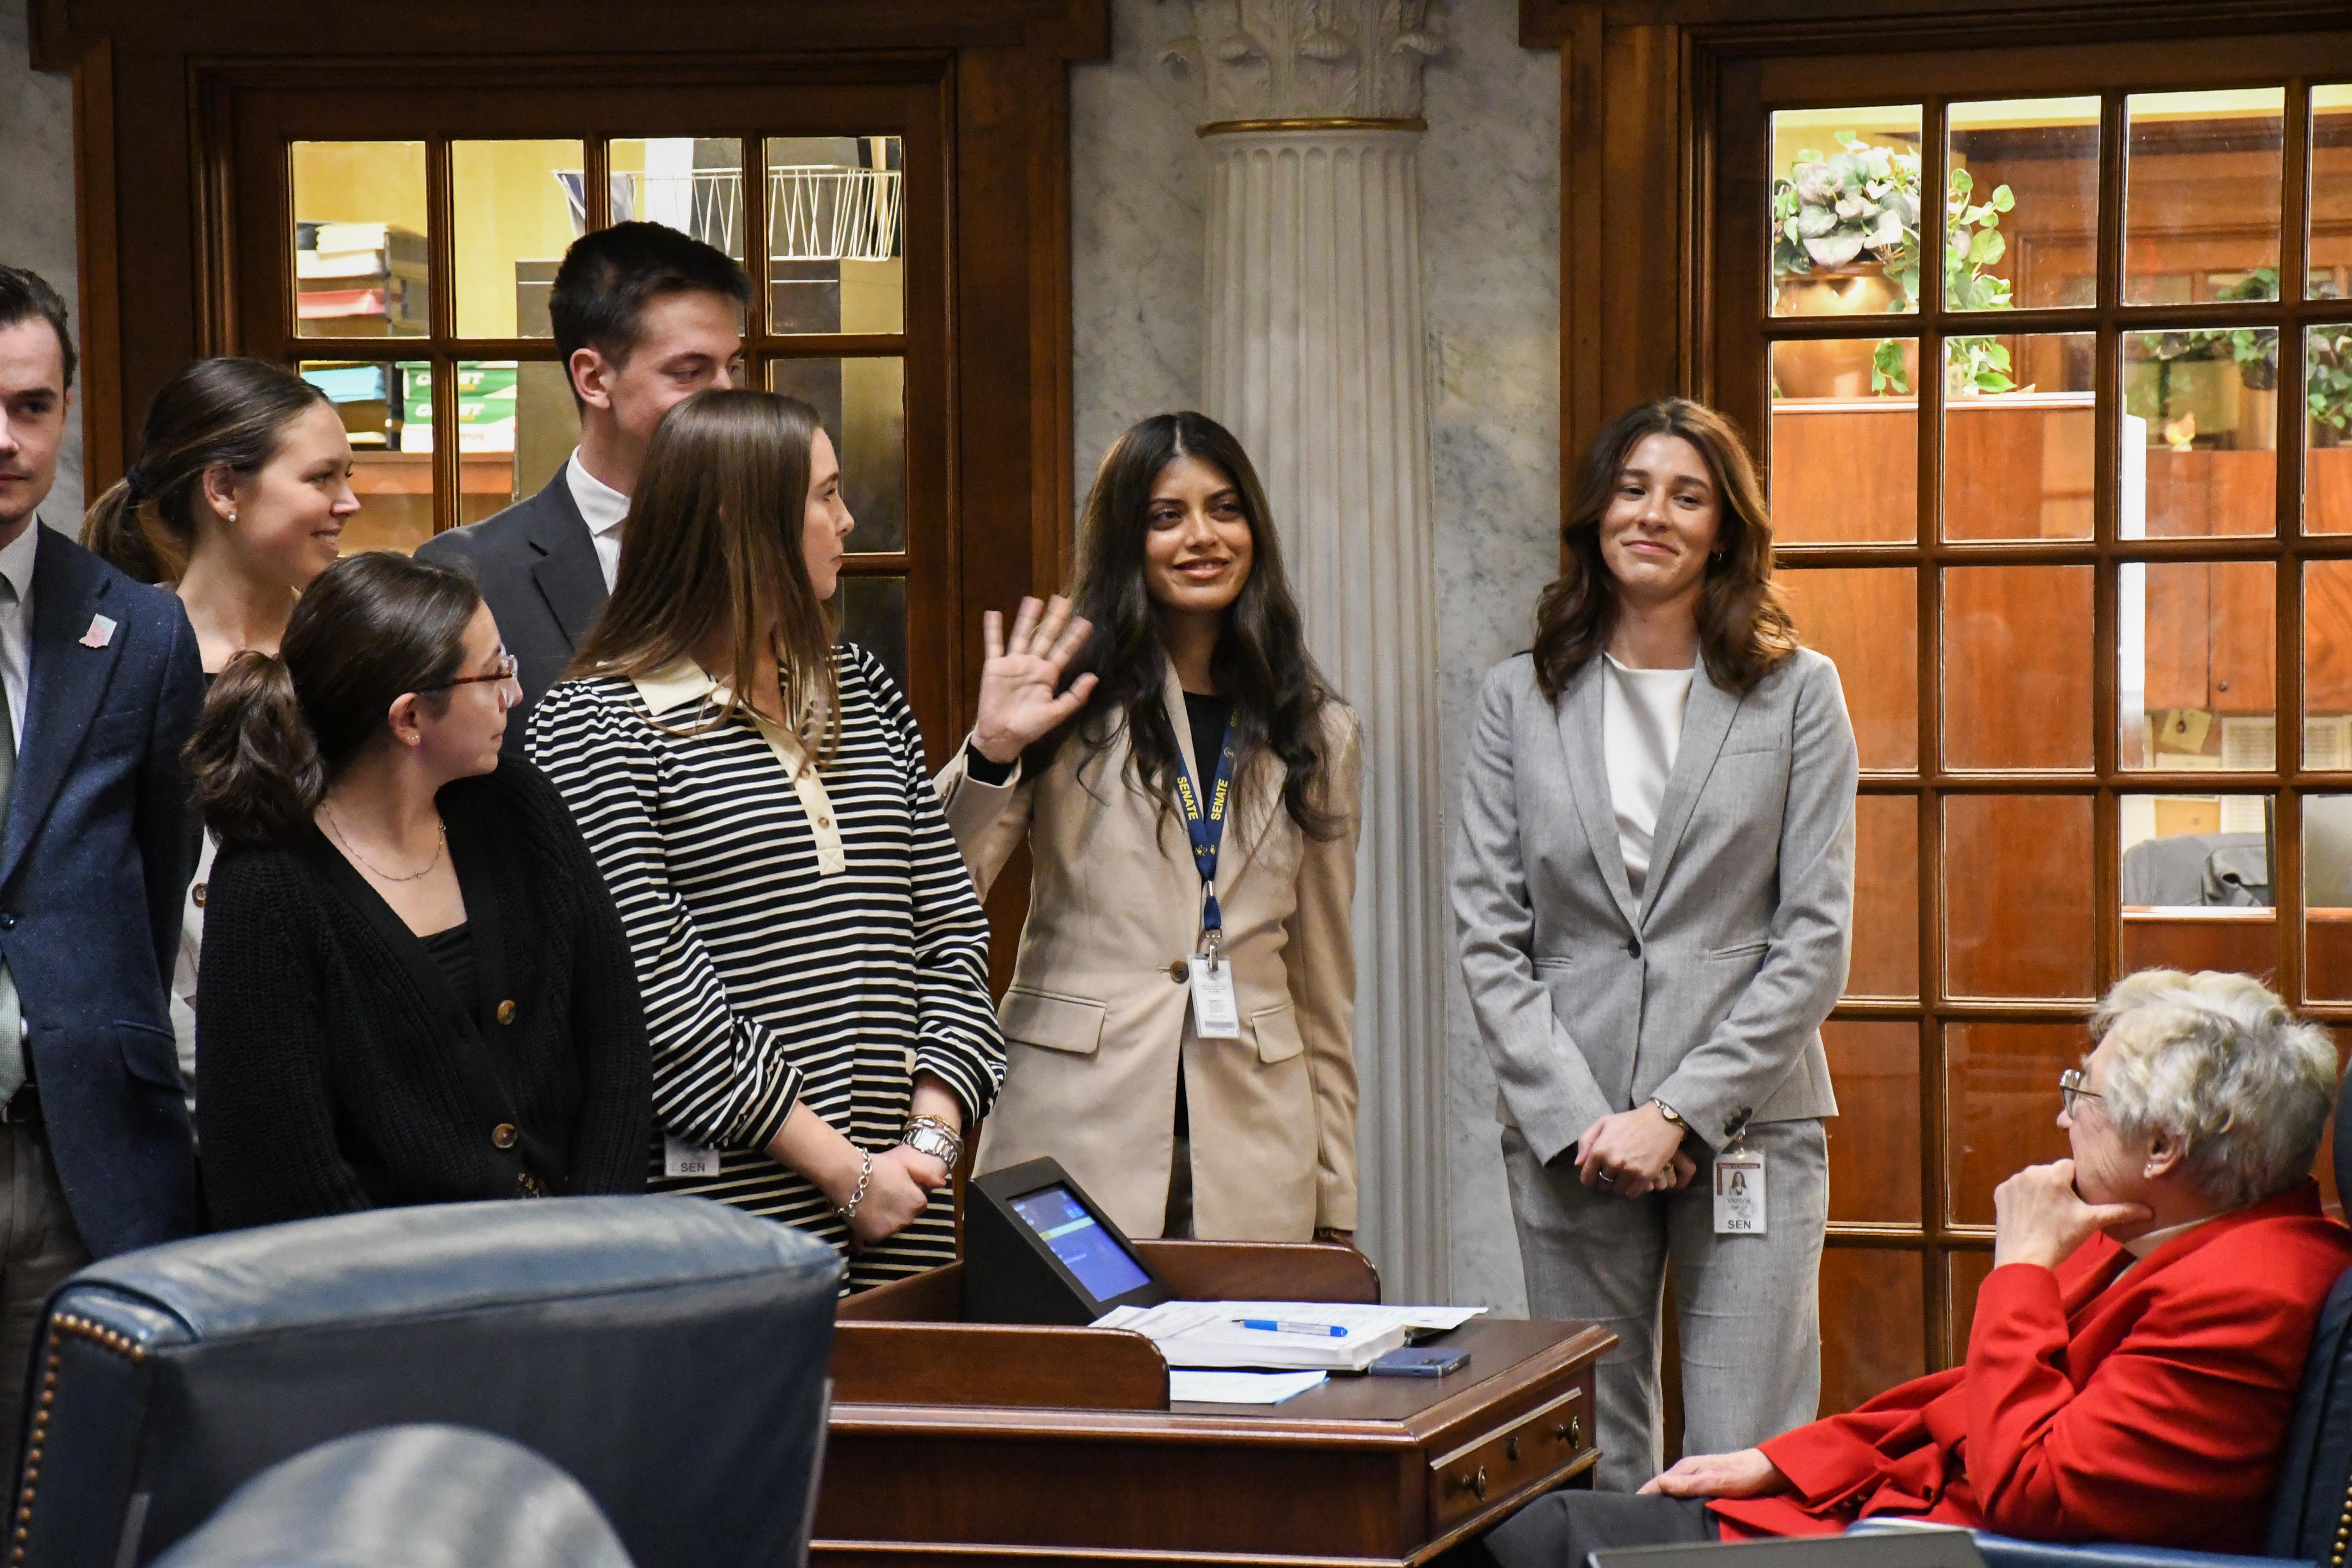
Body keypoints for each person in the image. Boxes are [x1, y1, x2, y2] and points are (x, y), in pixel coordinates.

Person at [1473, 969, 2352, 1561]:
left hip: (1945, 1549)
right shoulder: (2172, 1230)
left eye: (2081, 1091)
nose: (2062, 1116)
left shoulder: (2248, 1291)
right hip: (1895, 1517)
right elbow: (1966, 1399)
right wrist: (1783, 1460)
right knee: (1527, 1527)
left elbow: (2034, 1493)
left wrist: (2020, 1270)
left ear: (2162, 1146)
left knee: (1533, 1539)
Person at [1452, 397, 1857, 1490]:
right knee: (1592, 1453)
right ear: (1597, 513)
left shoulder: (1798, 693)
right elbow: (1489, 934)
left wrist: (1676, 1113)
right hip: (1573, 1133)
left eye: (1687, 496)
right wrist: (1585, 1118)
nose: (1653, 515)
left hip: (1751, 1122)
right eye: (1632, 489)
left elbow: (1814, 939)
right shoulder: (1518, 697)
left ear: (1724, 530)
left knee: (1743, 1454)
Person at [530, 388, 1003, 1290]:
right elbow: (652, 996)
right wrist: (844, 1170)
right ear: (735, 522)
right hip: (722, 1222)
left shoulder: (859, 688)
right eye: (824, 496)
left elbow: (950, 930)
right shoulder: (598, 726)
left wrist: (929, 1140)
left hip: (907, 1206)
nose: (848, 519)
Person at [936, 411, 1362, 1244]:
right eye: (1167, 516)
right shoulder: (1065, 700)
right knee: (1062, 1337)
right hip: (1072, 1126)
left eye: (1225, 509)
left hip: (1256, 1144)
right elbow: (938, 881)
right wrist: (991, 749)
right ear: (1127, 538)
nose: (1202, 536)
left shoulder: (1316, 730)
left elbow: (1323, 984)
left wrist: (1334, 1198)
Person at [188, 552, 651, 1227]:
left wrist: (599, 1241)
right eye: (495, 673)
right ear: (409, 718)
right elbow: (280, 1177)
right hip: (388, 1282)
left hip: (586, 1255)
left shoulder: (520, 809)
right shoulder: (268, 886)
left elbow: (616, 1043)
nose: (515, 694)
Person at [0, 264, 204, 1471]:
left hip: (80, 1146)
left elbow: (158, 870)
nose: (6, 439)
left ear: (68, 409)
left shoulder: (140, 627)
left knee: (68, 1498)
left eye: (32, 406)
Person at [81, 357, 359, 1096]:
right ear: (224, 490)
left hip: (344, 1062)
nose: (350, 502)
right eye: (321, 478)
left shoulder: (356, 652)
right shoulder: (112, 658)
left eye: (348, 475)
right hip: (161, 1080)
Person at [417, 221, 748, 743]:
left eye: (733, 367)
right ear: (594, 379)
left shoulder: (764, 540)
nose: (726, 395)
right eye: (690, 373)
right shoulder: (468, 574)